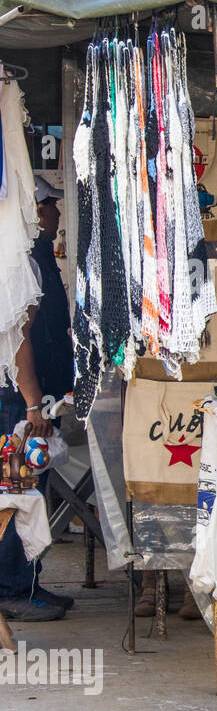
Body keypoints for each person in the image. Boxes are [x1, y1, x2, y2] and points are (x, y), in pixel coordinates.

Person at [0, 177, 76, 623]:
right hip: (19, 398)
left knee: (29, 487)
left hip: (39, 395)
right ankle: (13, 588)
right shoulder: (17, 263)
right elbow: (17, 338)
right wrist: (32, 404)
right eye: (48, 205)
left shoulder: (35, 256)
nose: (56, 213)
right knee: (19, 487)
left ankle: (26, 580)